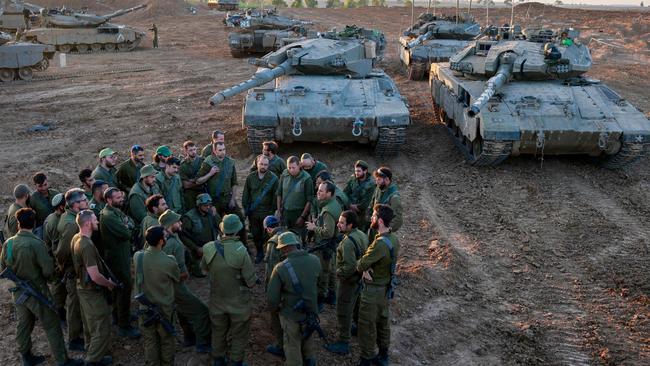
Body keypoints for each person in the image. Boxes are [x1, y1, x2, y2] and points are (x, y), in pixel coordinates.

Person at [1, 208, 83, 366]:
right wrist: (55, 279)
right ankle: (62, 360)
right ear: (33, 223)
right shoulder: (36, 243)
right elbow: (47, 271)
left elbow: (3, 268)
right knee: (52, 324)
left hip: (18, 292)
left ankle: (26, 356)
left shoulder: (8, 243)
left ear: (18, 223)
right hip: (37, 291)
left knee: (23, 324)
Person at [200, 214, 257, 365]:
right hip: (238, 303)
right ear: (238, 231)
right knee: (239, 334)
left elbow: (203, 270)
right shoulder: (241, 251)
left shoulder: (208, 248)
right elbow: (251, 282)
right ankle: (236, 361)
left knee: (218, 331)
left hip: (217, 301)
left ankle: (218, 359)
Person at [158, 210, 211, 352]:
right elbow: (169, 269)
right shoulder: (171, 244)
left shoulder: (164, 238)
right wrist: (184, 275)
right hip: (175, 285)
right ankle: (203, 343)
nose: (181, 223)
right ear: (170, 224)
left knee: (182, 310)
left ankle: (189, 337)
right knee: (201, 311)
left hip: (169, 285)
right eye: (178, 221)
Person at [267, 232, 321, 366]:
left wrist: (276, 309)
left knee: (292, 342)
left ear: (284, 248)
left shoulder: (280, 268)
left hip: (290, 313)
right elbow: (320, 284)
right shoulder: (315, 260)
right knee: (308, 334)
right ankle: (310, 360)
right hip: (311, 310)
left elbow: (272, 298)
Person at [356, 204, 400, 366]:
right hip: (385, 288)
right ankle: (383, 356)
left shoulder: (379, 244)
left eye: (374, 216)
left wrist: (363, 267)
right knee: (383, 323)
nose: (371, 219)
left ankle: (367, 358)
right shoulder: (394, 239)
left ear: (380, 221)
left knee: (366, 324)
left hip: (372, 291)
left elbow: (361, 264)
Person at [71, 210, 115, 366]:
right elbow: (95, 276)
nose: (97, 222)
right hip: (91, 290)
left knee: (89, 325)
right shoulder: (87, 245)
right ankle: (93, 360)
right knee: (101, 326)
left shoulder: (76, 238)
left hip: (82, 288)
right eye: (95, 220)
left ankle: (92, 351)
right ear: (88, 223)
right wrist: (109, 284)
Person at [134, 226, 180, 366]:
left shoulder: (138, 257)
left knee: (150, 341)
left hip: (144, 308)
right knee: (167, 340)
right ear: (161, 241)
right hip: (164, 309)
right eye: (165, 237)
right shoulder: (169, 261)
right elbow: (177, 278)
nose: (166, 238)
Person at [324, 210, 369, 355]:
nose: (338, 224)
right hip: (359, 280)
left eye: (342, 223)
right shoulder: (361, 234)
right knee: (356, 306)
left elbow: (349, 267)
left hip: (348, 282)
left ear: (350, 225)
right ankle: (356, 328)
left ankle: (344, 342)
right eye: (339, 221)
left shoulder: (347, 243)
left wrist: (338, 273)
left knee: (343, 311)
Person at [99, 187, 141, 339]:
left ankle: (120, 316)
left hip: (122, 255)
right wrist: (127, 226)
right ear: (109, 200)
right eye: (117, 198)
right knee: (124, 288)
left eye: (121, 196)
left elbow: (130, 223)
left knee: (121, 288)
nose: (121, 199)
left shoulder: (115, 212)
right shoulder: (109, 216)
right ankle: (124, 325)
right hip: (117, 258)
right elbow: (127, 233)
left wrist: (127, 224)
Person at [56, 189, 88, 352]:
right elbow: (61, 252)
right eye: (83, 200)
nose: (86, 201)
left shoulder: (72, 217)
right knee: (74, 304)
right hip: (72, 269)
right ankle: (74, 338)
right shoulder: (71, 223)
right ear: (75, 204)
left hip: (75, 267)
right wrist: (65, 267)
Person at [196, 142, 246, 242]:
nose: (223, 152)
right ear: (214, 151)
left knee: (240, 219)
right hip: (213, 200)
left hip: (228, 198)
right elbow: (198, 181)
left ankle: (243, 244)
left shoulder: (230, 162)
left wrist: (233, 199)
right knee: (216, 224)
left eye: (224, 149)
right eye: (220, 150)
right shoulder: (208, 162)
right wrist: (210, 174)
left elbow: (234, 182)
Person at [306, 181, 342, 308]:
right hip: (332, 245)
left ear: (329, 193)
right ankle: (332, 296)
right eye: (318, 190)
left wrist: (314, 227)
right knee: (331, 270)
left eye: (321, 191)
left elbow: (328, 233)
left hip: (325, 245)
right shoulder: (334, 204)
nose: (318, 192)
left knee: (323, 272)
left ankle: (321, 299)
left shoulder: (327, 210)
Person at [242, 154, 279, 263]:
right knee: (255, 233)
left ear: (268, 165)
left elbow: (275, 196)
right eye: (261, 164)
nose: (263, 166)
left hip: (266, 212)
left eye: (266, 164)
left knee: (266, 234)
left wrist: (273, 211)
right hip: (253, 212)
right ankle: (259, 252)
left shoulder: (273, 178)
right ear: (257, 164)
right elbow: (246, 194)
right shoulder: (250, 177)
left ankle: (267, 252)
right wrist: (246, 208)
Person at [262, 215, 286, 358]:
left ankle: (281, 345)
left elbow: (270, 270)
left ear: (268, 229)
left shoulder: (272, 242)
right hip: (294, 284)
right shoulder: (292, 235)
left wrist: (269, 290)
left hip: (280, 285)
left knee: (276, 316)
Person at [180, 193, 221, 278]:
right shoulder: (189, 217)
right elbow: (183, 236)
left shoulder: (211, 213)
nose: (208, 207)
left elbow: (220, 226)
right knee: (201, 273)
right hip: (197, 248)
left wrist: (215, 215)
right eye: (205, 205)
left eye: (210, 205)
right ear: (199, 205)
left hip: (211, 245)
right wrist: (195, 248)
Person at [276, 156, 313, 242]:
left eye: (293, 167)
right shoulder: (284, 174)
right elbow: (279, 194)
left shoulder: (306, 178)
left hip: (298, 213)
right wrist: (279, 211)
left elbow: (309, 200)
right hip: (285, 212)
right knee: (285, 237)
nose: (291, 170)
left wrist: (302, 217)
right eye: (289, 167)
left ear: (299, 166)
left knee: (299, 239)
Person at [43, 193, 67, 318]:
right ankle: (58, 311)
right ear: (61, 207)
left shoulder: (52, 217)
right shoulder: (56, 222)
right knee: (58, 286)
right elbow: (55, 248)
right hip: (55, 259)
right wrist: (60, 265)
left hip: (53, 257)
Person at [368, 167, 402, 235]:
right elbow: (372, 204)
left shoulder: (394, 197)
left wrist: (386, 230)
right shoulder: (379, 188)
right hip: (374, 227)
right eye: (376, 179)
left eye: (379, 180)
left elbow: (398, 220)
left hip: (383, 232)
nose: (376, 182)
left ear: (387, 180)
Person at [343, 160, 375, 232]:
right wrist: (349, 204)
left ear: (365, 171)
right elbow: (345, 193)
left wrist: (357, 207)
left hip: (362, 213)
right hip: (349, 208)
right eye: (355, 171)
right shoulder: (353, 179)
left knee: (360, 230)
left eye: (359, 171)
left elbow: (367, 201)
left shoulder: (371, 185)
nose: (356, 173)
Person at [29, 172, 60, 237]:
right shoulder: (33, 199)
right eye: (40, 186)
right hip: (42, 228)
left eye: (45, 185)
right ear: (35, 185)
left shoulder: (55, 193)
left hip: (57, 225)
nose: (43, 188)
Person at [179, 140, 204, 211]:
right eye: (190, 150)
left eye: (194, 149)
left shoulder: (203, 161)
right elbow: (186, 185)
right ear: (186, 151)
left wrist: (192, 181)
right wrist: (201, 181)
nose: (193, 152)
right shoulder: (183, 165)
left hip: (204, 190)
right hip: (191, 194)